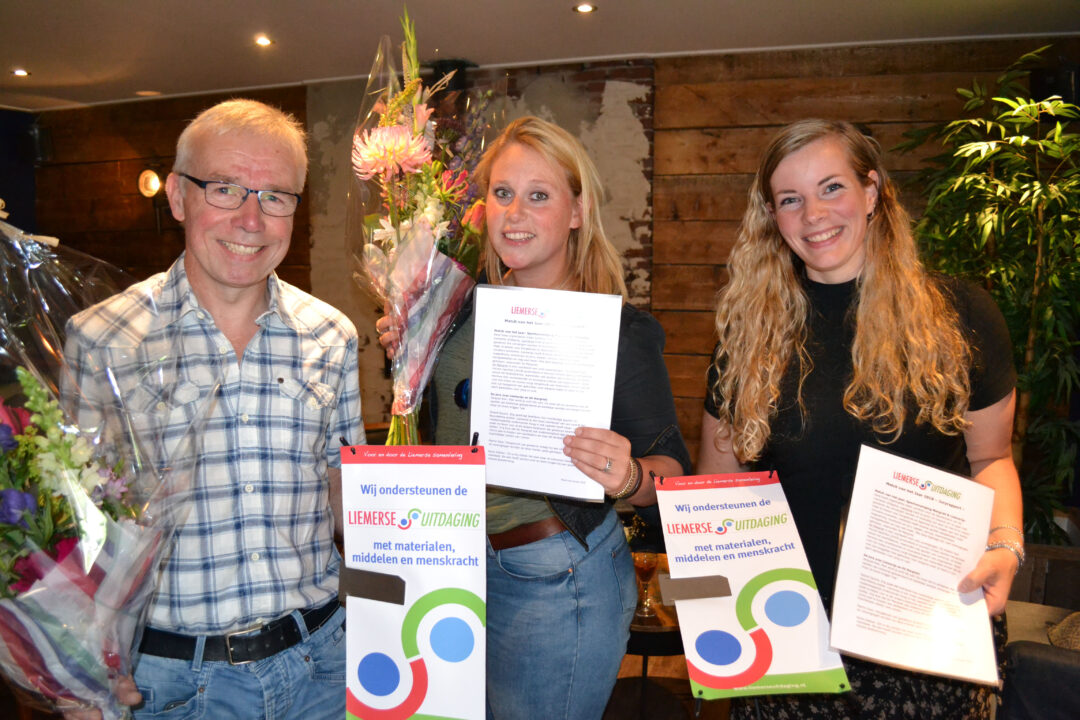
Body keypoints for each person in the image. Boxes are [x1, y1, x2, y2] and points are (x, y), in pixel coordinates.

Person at [697, 118, 1023, 718]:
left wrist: (1006, 544)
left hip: (927, 636)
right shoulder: (748, 338)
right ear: (773, 217)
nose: (813, 214)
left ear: (872, 192)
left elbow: (992, 459)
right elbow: (717, 492)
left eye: (831, 188)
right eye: (789, 199)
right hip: (789, 641)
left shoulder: (963, 316)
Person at [377, 116, 692, 719]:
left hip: (556, 579)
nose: (514, 213)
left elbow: (672, 474)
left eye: (538, 196)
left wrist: (628, 478)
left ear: (576, 211)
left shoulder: (618, 330)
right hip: (452, 567)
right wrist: (407, 355)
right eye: (502, 194)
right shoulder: (456, 310)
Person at [62, 99, 363, 720]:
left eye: (276, 196)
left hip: (324, 671)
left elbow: (344, 499)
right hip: (169, 687)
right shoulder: (100, 339)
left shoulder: (333, 335)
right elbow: (74, 529)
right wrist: (76, 673)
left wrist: (436, 551)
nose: (251, 219)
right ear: (177, 196)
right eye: (225, 189)